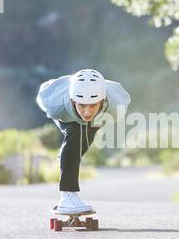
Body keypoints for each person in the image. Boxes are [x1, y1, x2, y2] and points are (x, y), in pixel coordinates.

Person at [37, 69, 131, 214]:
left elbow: (97, 113)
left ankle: (66, 156)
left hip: (100, 116)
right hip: (67, 114)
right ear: (74, 101)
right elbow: (42, 95)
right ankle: (67, 195)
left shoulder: (116, 106)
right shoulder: (55, 105)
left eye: (93, 105)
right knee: (75, 134)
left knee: (82, 143)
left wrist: (69, 155)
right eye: (82, 105)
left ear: (102, 101)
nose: (87, 112)